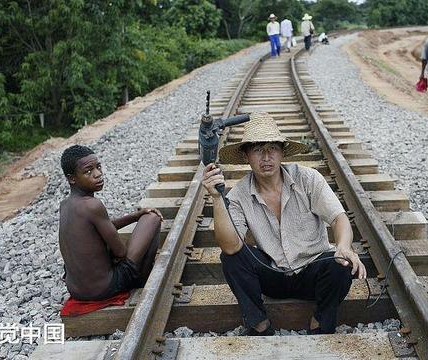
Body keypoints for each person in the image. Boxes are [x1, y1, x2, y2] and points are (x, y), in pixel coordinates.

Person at [202, 112, 366, 335]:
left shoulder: (308, 178)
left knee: (341, 263)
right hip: (273, 275)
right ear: (247, 156)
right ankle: (259, 324)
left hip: (313, 271)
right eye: (258, 150)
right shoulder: (239, 194)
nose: (266, 157)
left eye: (272, 148)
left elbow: (339, 218)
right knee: (231, 257)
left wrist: (344, 246)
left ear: (281, 153)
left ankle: (320, 321)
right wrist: (217, 199)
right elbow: (230, 246)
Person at [58, 145, 162, 301]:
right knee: (152, 218)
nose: (98, 174)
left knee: (142, 218)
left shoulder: (65, 205)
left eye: (98, 167)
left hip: (76, 290)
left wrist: (135, 216)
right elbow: (121, 252)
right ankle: (141, 277)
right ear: (72, 178)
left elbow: (98, 228)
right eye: (88, 171)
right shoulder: (92, 205)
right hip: (103, 290)